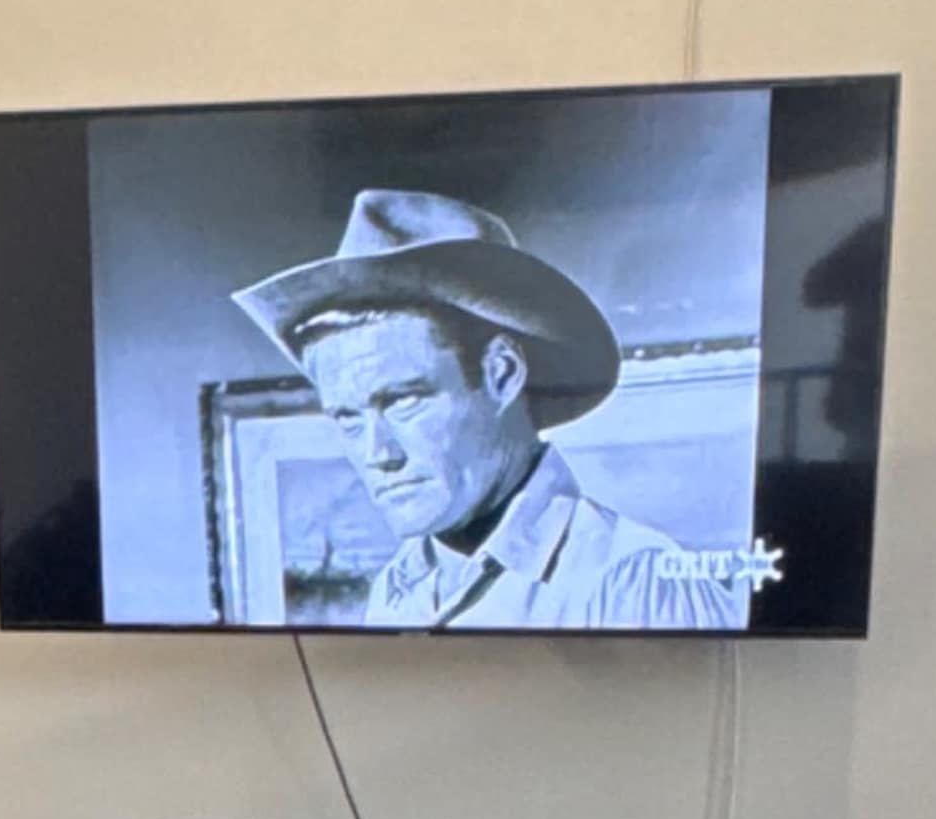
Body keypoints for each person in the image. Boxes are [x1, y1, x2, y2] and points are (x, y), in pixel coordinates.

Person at [237, 188, 722, 629]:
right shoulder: (396, 590)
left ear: (503, 374)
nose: (377, 453)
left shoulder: (633, 580)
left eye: (403, 400)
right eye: (347, 417)